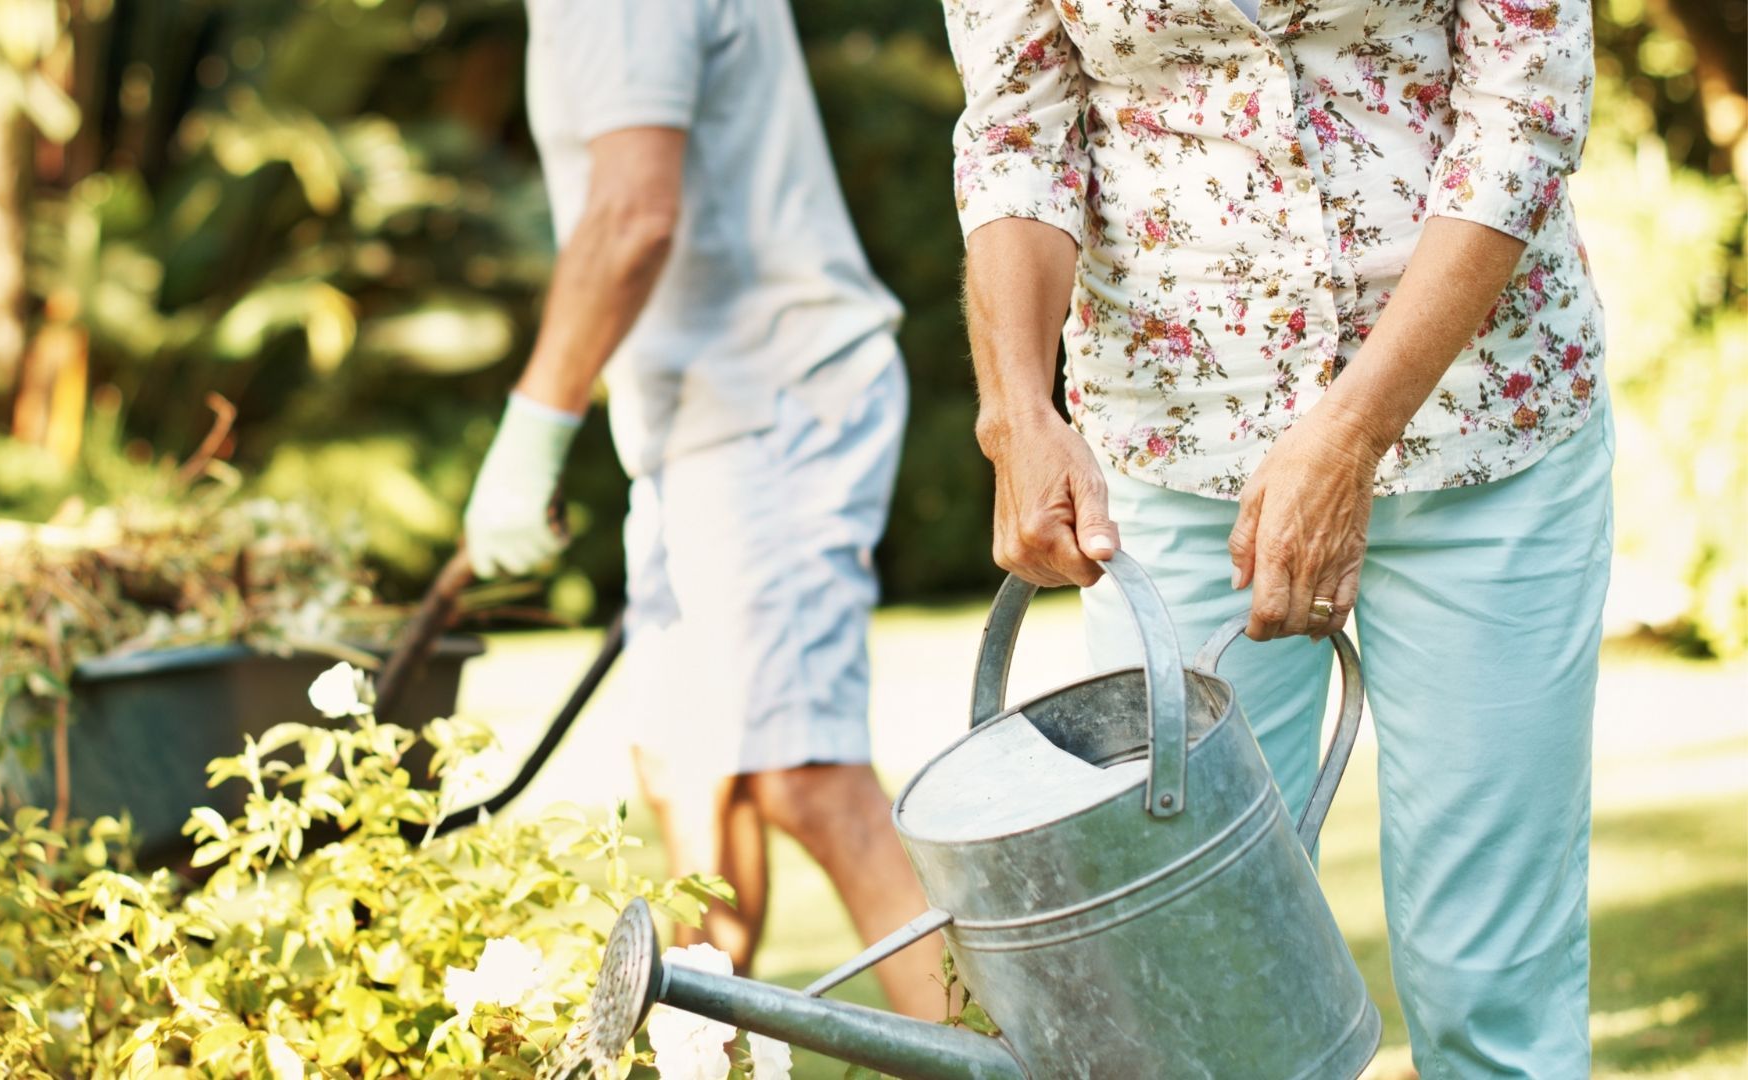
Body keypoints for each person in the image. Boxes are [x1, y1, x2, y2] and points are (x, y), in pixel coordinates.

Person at [945, 0, 1607, 1075]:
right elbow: (1020, 126)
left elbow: (1522, 109)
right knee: (1190, 988)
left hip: (1483, 429)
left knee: (1490, 990)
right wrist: (1018, 409)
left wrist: (1351, 430)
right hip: (1171, 450)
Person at [462, 0, 940, 1016]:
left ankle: (1006, 1060)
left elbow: (634, 213)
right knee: (690, 787)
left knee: (805, 776)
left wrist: (532, 429)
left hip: (772, 402)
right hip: (706, 421)